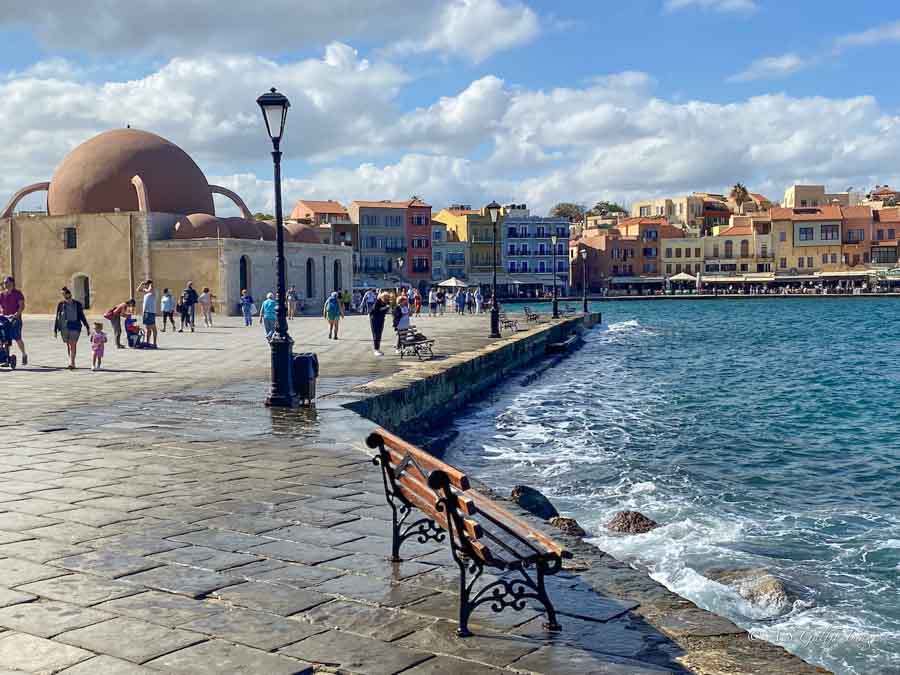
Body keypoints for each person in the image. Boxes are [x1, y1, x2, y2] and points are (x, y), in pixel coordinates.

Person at [54, 286, 90, 369]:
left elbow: (81, 316)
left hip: (75, 326)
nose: (64, 295)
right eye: (62, 294)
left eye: (64, 293)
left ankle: (72, 363)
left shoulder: (77, 304)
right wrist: (55, 329)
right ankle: (71, 361)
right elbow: (57, 317)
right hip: (64, 327)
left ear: (69, 294)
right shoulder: (61, 304)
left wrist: (87, 326)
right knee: (68, 344)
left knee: (72, 344)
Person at [0, 276, 27, 365]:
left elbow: (21, 306)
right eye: (4, 283)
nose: (5, 284)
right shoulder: (2, 294)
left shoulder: (17, 293)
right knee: (4, 338)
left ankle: (24, 354)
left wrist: (16, 315)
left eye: (6, 282)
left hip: (15, 319)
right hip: (4, 319)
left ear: (11, 283)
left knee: (17, 337)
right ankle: (6, 359)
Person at [136, 279, 158, 348]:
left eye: (147, 284)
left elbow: (150, 289)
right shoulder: (146, 292)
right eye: (146, 284)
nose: (145, 285)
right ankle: (148, 342)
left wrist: (150, 284)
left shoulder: (153, 291)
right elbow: (138, 290)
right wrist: (141, 283)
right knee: (147, 328)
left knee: (153, 328)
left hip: (150, 312)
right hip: (145, 312)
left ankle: (154, 343)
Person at [369, 291, 390, 357]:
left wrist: (387, 308)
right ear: (382, 297)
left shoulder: (386, 302)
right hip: (374, 319)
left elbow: (386, 311)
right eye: (386, 297)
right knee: (376, 334)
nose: (387, 299)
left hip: (381, 319)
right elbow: (375, 310)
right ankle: (376, 350)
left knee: (379, 334)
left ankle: (378, 349)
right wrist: (385, 308)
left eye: (388, 298)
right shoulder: (378, 301)